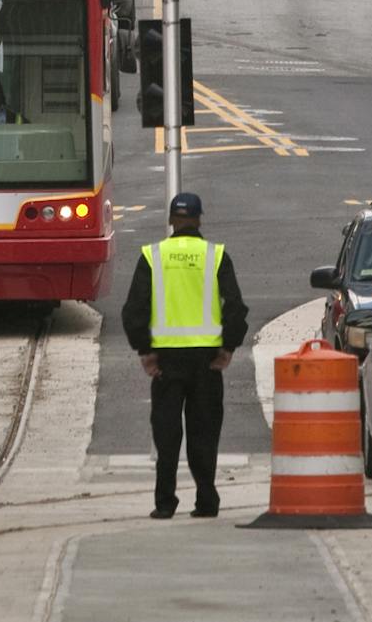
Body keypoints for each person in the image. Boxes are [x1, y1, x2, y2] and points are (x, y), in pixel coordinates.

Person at [122, 193, 248, 519]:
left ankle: (165, 504)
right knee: (204, 433)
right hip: (207, 361)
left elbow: (134, 309)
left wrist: (146, 351)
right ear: (199, 219)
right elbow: (235, 308)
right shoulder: (215, 256)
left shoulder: (152, 256)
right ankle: (206, 501)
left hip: (166, 361)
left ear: (171, 221)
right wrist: (228, 348)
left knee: (166, 435)